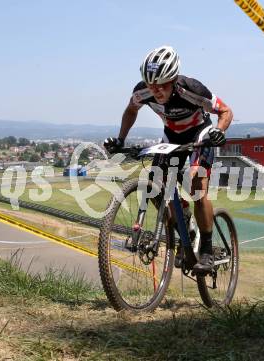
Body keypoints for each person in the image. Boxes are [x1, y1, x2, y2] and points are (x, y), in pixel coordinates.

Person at [104, 45, 233, 273]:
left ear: (173, 79)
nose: (157, 91)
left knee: (196, 187)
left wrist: (219, 131)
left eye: (162, 85)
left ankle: (205, 250)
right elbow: (130, 111)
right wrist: (120, 140)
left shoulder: (191, 88)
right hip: (171, 137)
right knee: (156, 187)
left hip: (199, 135)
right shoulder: (142, 91)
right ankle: (185, 224)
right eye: (152, 85)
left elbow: (225, 112)